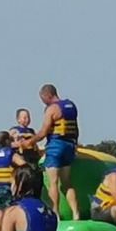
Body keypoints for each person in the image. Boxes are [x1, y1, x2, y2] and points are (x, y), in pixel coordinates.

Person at [21, 85, 80, 218]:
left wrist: (29, 142)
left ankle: (55, 213)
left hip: (55, 146)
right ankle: (76, 213)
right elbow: (76, 128)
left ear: (48, 95)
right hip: (69, 145)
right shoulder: (71, 106)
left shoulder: (52, 109)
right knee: (67, 182)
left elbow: (43, 132)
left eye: (42, 99)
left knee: (53, 182)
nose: (43, 102)